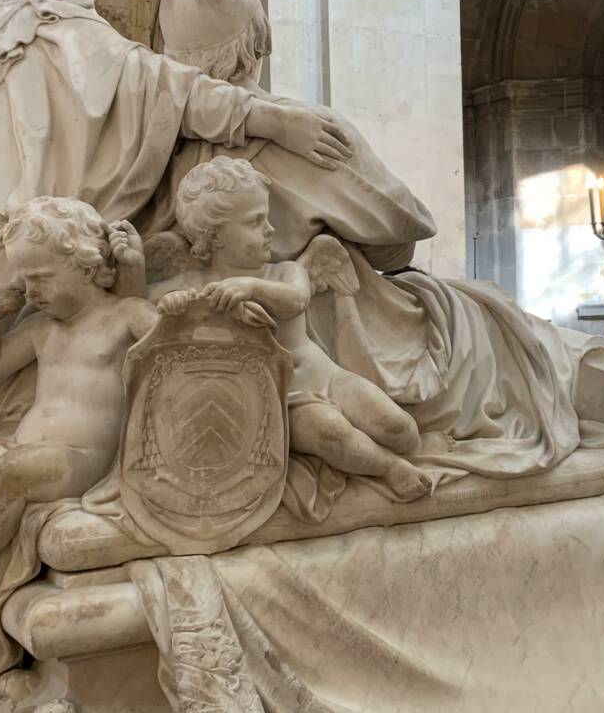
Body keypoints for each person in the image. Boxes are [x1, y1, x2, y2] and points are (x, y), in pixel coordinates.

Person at [0, 197, 157, 614]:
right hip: (23, 450)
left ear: (87, 266)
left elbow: (169, 350)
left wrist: (134, 270)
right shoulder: (42, 326)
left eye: (40, 278)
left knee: (11, 473)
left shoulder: (126, 315)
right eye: (23, 279)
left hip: (81, 458)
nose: (29, 291)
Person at [155, 158, 435, 501]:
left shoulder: (284, 273)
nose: (269, 229)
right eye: (255, 221)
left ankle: (417, 448)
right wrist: (170, 305)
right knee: (331, 433)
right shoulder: (194, 286)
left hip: (327, 378)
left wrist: (251, 287)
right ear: (214, 236)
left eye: (266, 217)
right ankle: (389, 468)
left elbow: (295, 300)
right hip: (278, 403)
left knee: (399, 428)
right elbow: (146, 307)